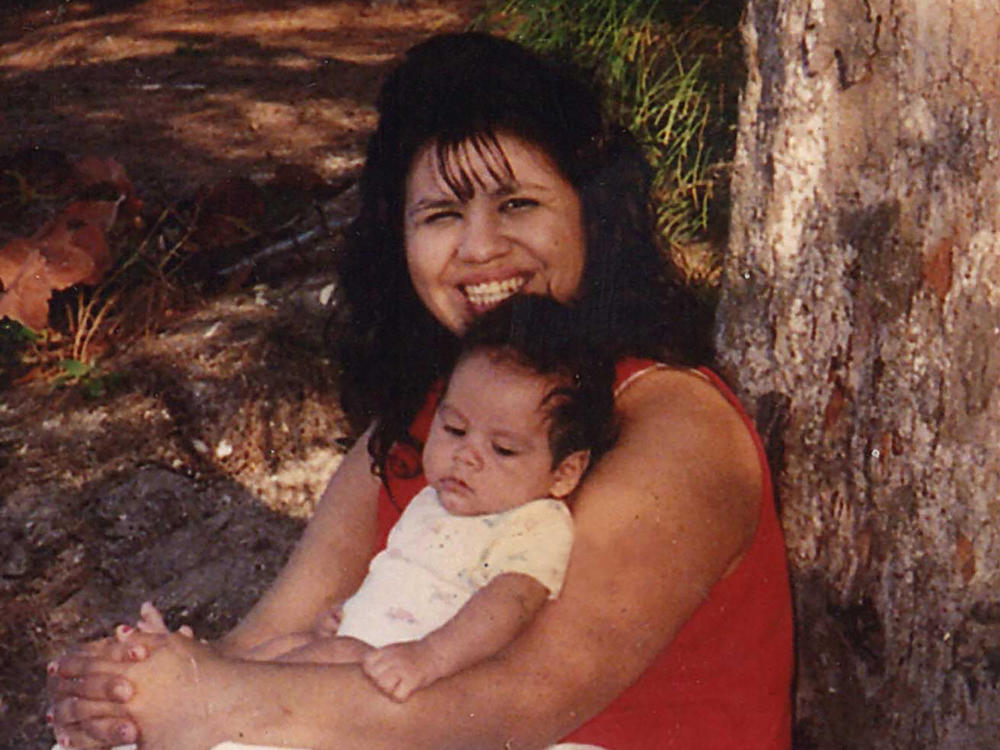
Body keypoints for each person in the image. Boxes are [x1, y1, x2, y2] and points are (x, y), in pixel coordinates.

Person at [47, 31, 793, 750]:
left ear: (593, 216)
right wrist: (124, 700)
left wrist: (211, 700)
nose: (478, 248)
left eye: (518, 205)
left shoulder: (672, 420)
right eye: (440, 214)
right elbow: (263, 641)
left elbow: (526, 701)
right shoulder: (428, 422)